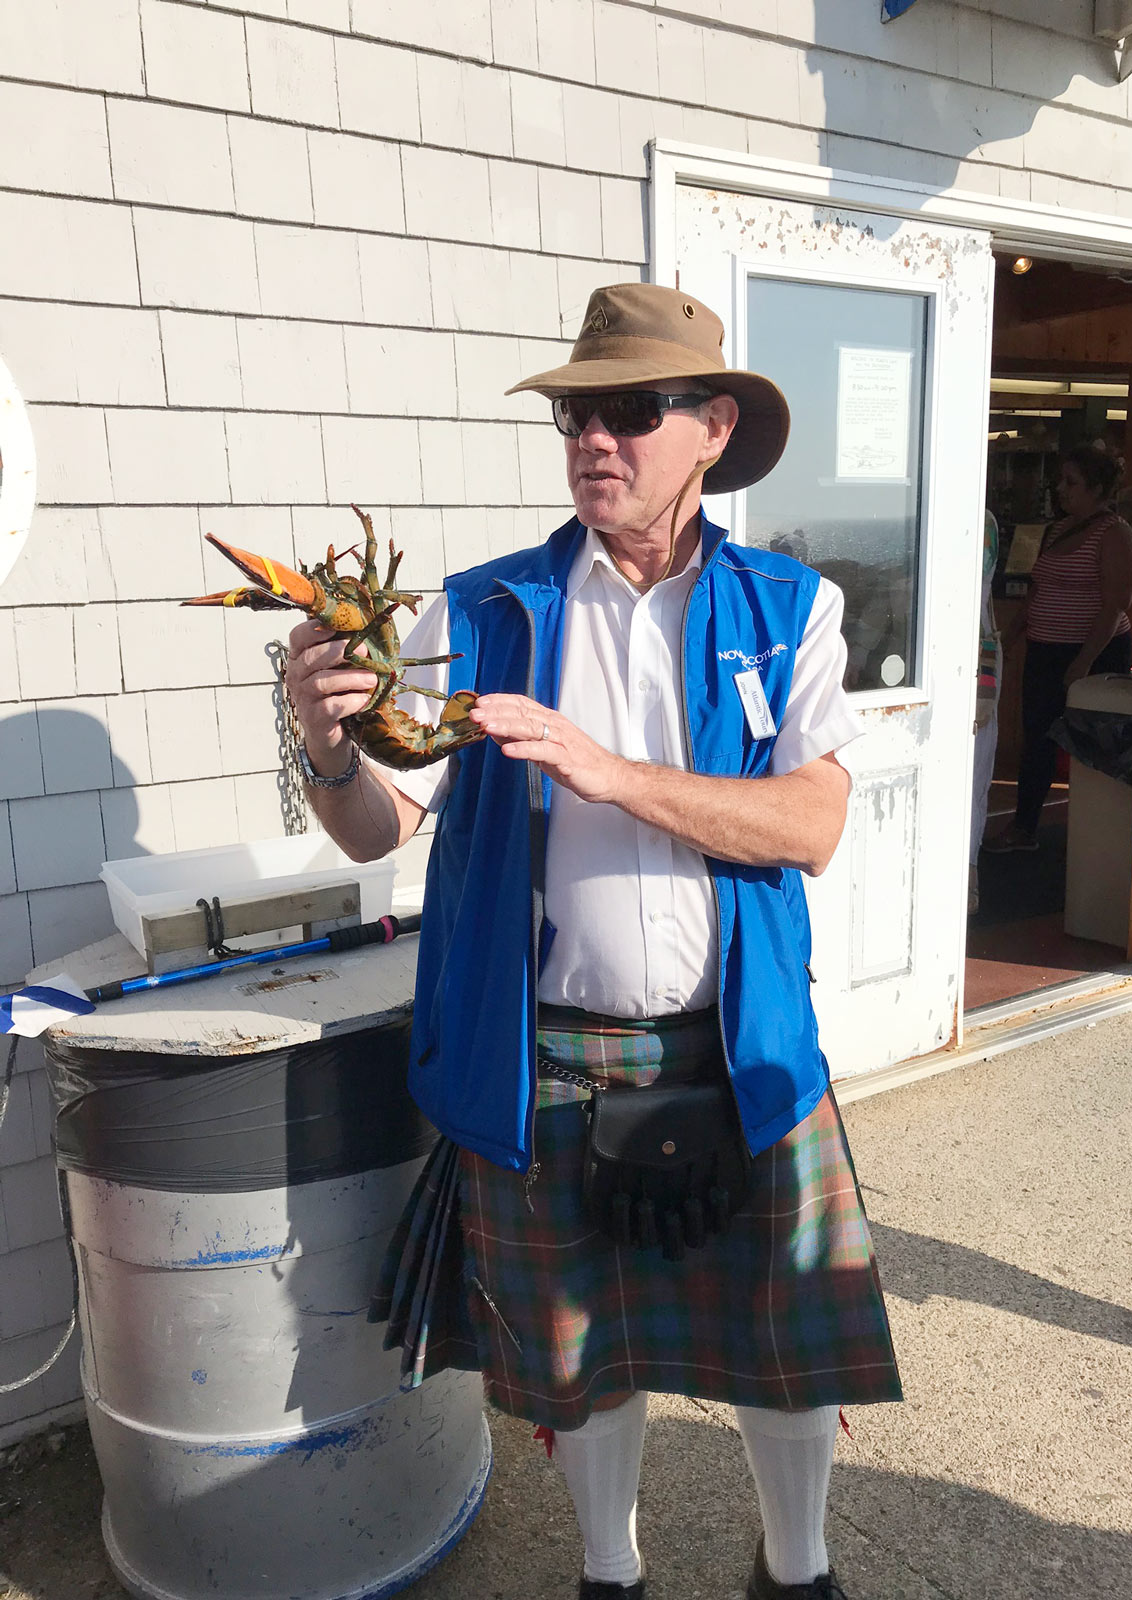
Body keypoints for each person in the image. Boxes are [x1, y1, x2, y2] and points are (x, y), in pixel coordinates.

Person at [285, 284, 900, 1600]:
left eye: (630, 410)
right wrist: (327, 746)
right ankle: (607, 1576)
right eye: (576, 413)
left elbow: (810, 825)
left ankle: (799, 1574)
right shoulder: (485, 611)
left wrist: (611, 771)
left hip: (746, 1058)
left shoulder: (791, 607)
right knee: (583, 1355)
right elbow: (374, 825)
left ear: (713, 430)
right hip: (550, 1060)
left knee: (784, 1350)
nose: (593, 440)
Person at [985, 444, 1132, 854]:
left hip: (1095, 654)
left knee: (1097, 746)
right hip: (1045, 650)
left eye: (1071, 483)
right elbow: (1037, 590)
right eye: (1061, 481)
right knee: (1038, 738)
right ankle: (1024, 827)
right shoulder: (1057, 530)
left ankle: (1104, 836)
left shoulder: (1116, 535)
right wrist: (1012, 635)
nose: (1061, 489)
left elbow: (1115, 605)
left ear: (1098, 488)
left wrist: (1083, 661)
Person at [968, 509, 1002, 914]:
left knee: (975, 776)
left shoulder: (982, 524)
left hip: (978, 660)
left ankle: (969, 876)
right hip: (980, 654)